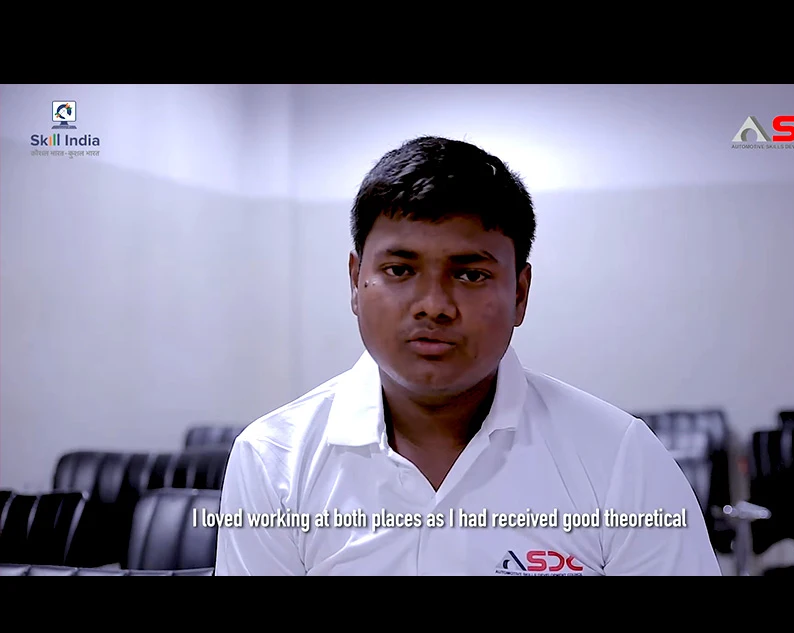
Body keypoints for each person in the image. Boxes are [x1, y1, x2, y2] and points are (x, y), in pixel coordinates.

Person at [215, 136, 722, 576]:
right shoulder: (273, 460)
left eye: (470, 274)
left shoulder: (620, 458)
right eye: (399, 270)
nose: (433, 305)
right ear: (355, 280)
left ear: (519, 293)